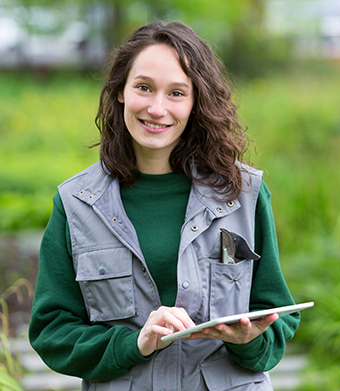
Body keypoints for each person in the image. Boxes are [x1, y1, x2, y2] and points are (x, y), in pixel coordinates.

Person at [29, 20, 300, 391]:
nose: (157, 109)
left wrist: (249, 340)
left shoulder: (244, 193)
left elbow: (277, 319)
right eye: (144, 88)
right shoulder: (76, 203)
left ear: (195, 102)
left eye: (176, 93)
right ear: (121, 91)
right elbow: (52, 331)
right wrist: (132, 345)